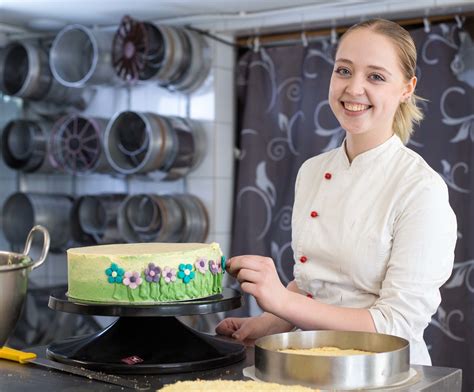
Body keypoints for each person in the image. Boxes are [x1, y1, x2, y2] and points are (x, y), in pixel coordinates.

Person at [216, 18, 457, 366]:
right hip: (310, 364)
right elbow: (315, 284)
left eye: (375, 76)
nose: (353, 88)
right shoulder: (312, 172)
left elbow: (396, 327)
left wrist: (281, 302)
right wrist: (266, 324)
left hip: (382, 376)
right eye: (344, 70)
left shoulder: (421, 190)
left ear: (407, 88)